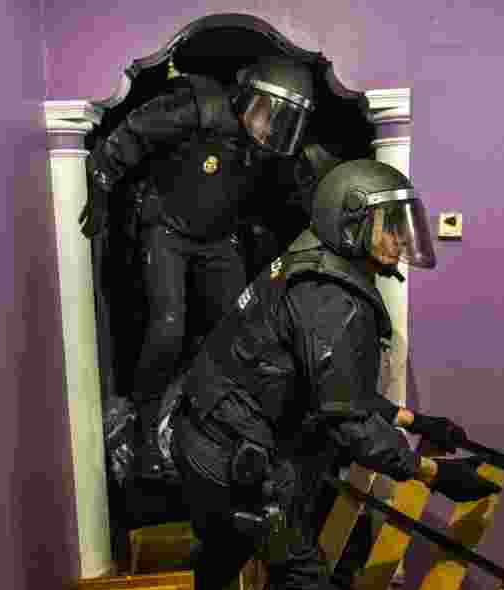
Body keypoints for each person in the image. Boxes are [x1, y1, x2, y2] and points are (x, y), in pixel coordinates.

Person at [168, 159, 502, 590]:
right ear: (349, 222)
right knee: (300, 569)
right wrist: (432, 474)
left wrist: (415, 421)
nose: (399, 237)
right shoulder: (334, 301)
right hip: (228, 454)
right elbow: (343, 418)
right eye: (389, 223)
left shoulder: (311, 259)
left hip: (208, 434)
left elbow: (328, 385)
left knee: (226, 554)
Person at [80, 55, 330, 482]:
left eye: (285, 121)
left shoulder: (268, 146)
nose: (272, 129)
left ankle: (223, 424)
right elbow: (132, 135)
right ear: (248, 97)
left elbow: (296, 185)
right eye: (271, 114)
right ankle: (143, 429)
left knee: (236, 329)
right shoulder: (200, 106)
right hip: (167, 230)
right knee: (168, 327)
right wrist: (103, 183)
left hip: (218, 237)